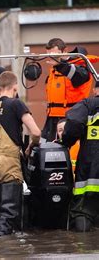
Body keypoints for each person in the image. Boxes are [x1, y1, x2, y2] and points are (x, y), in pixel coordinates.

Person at [0, 71, 41, 237]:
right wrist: (30, 147)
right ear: (15, 87)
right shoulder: (16, 104)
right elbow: (36, 132)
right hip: (8, 165)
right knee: (8, 215)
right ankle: (5, 250)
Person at [61, 80, 99, 232]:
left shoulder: (88, 104)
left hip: (90, 173)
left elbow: (74, 123)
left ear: (96, 90)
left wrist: (67, 142)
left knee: (83, 212)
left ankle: (83, 248)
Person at [41, 38, 94, 142]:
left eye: (55, 55)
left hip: (71, 119)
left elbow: (77, 75)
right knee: (45, 149)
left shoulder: (81, 66)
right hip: (52, 121)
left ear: (65, 51)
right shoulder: (53, 69)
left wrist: (60, 64)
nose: (52, 58)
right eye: (49, 55)